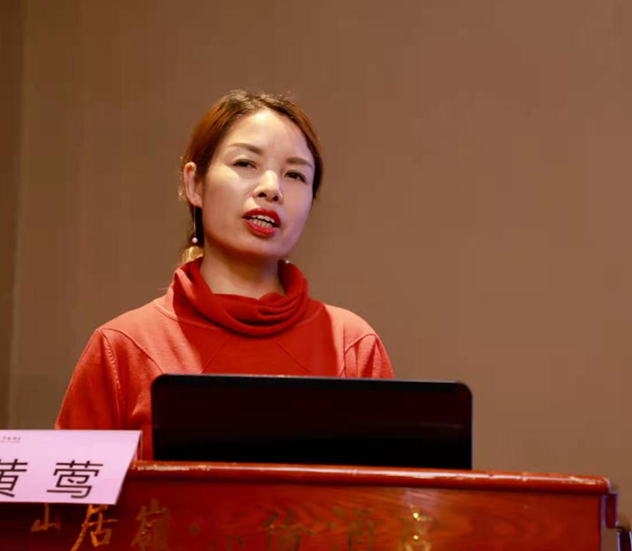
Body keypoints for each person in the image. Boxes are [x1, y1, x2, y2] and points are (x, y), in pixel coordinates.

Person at [56, 90, 393, 457]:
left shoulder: (351, 346)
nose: (271, 188)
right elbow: (68, 489)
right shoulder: (122, 347)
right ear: (194, 184)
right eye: (246, 163)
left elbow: (390, 490)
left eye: (295, 174)